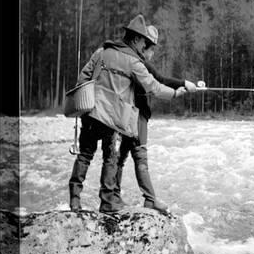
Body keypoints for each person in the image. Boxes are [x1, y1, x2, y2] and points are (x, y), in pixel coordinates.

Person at [68, 14, 186, 215]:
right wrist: (175, 93)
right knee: (110, 159)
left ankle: (75, 200)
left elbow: (83, 77)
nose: (144, 46)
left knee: (85, 156)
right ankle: (107, 202)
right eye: (143, 41)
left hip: (89, 112)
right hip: (112, 120)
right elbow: (154, 87)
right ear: (136, 39)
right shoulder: (133, 62)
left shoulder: (101, 52)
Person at [114, 24, 197, 214]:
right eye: (151, 49)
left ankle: (114, 195)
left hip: (123, 114)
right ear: (143, 44)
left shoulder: (126, 57)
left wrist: (183, 84)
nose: (152, 54)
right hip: (136, 115)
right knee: (139, 155)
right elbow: (160, 81)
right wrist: (183, 86)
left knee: (121, 157)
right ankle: (149, 199)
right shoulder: (138, 62)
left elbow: (159, 79)